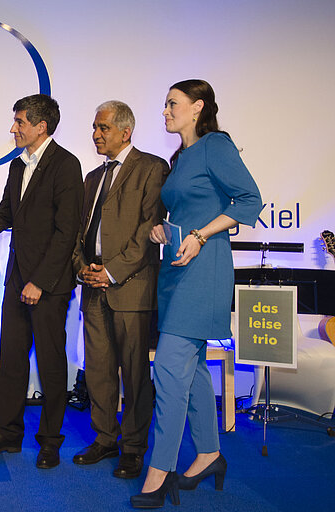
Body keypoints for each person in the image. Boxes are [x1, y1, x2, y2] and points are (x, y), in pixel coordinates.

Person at [132, 79, 262, 508]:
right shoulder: (181, 156)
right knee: (194, 371)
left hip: (203, 270)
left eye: (172, 104)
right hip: (174, 270)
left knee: (169, 368)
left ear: (197, 107)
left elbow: (249, 201)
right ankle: (209, 453)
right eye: (165, 103)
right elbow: (182, 210)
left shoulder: (216, 145)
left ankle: (160, 469)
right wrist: (161, 229)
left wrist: (202, 235)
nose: (165, 111)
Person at [0, 94, 83, 469]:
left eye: (20, 122)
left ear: (41, 126)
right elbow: (6, 215)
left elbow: (66, 232)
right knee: (11, 360)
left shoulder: (66, 165)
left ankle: (49, 441)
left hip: (49, 284)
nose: (13, 128)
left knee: (51, 363)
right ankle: (8, 435)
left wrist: (40, 282)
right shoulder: (16, 167)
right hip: (17, 280)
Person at [71, 101, 168, 479]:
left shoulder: (152, 168)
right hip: (92, 287)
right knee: (97, 371)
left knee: (135, 373)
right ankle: (104, 438)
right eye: (95, 127)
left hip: (131, 287)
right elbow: (80, 233)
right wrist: (83, 268)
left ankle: (132, 448)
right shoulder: (92, 177)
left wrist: (111, 272)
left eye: (103, 128)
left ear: (125, 132)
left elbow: (149, 231)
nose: (96, 134)